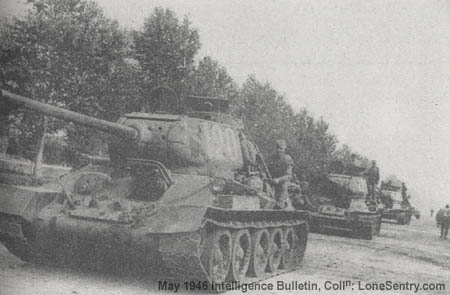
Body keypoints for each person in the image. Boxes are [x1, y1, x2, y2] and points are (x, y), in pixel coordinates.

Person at [267, 140, 294, 209]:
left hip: (283, 183)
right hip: (272, 182)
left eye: (281, 148)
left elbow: (288, 176)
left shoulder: (287, 159)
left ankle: (280, 206)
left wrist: (278, 180)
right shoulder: (272, 158)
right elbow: (267, 170)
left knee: (281, 194)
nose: (279, 150)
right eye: (277, 148)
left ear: (284, 149)